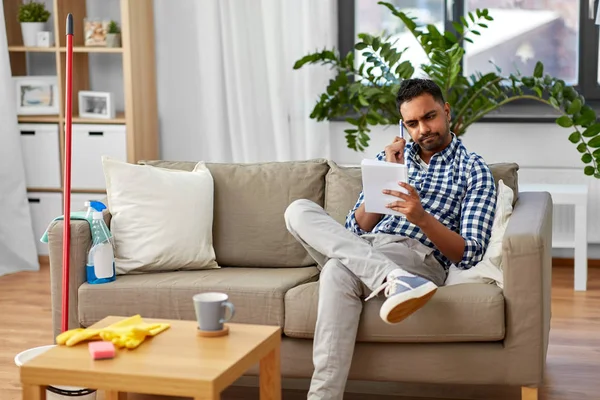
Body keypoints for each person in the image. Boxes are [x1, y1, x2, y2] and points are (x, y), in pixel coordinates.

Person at [284, 78, 497, 400]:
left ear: (446, 111)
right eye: (412, 123)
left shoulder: (473, 169)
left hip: (417, 255)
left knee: (337, 270)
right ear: (403, 125)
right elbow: (353, 230)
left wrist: (421, 217)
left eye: (429, 117)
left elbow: (468, 254)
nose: (423, 129)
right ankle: (392, 279)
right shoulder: (392, 159)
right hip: (368, 248)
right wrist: (387, 180)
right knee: (298, 210)